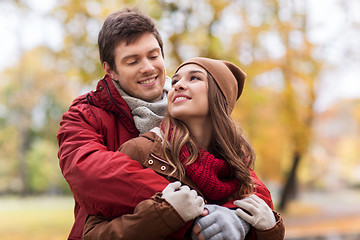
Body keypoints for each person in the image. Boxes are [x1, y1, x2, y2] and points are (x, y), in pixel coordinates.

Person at [57, 8, 274, 240]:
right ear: (111, 71)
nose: (148, 68)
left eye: (153, 56)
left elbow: (244, 179)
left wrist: (233, 217)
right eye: (132, 61)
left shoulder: (190, 109)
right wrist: (182, 203)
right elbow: (90, 175)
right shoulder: (85, 115)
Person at [82, 57, 285, 240]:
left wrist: (266, 230)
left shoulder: (239, 166)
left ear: (219, 97)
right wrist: (165, 214)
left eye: (194, 78)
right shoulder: (143, 151)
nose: (177, 86)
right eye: (176, 80)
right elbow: (92, 233)